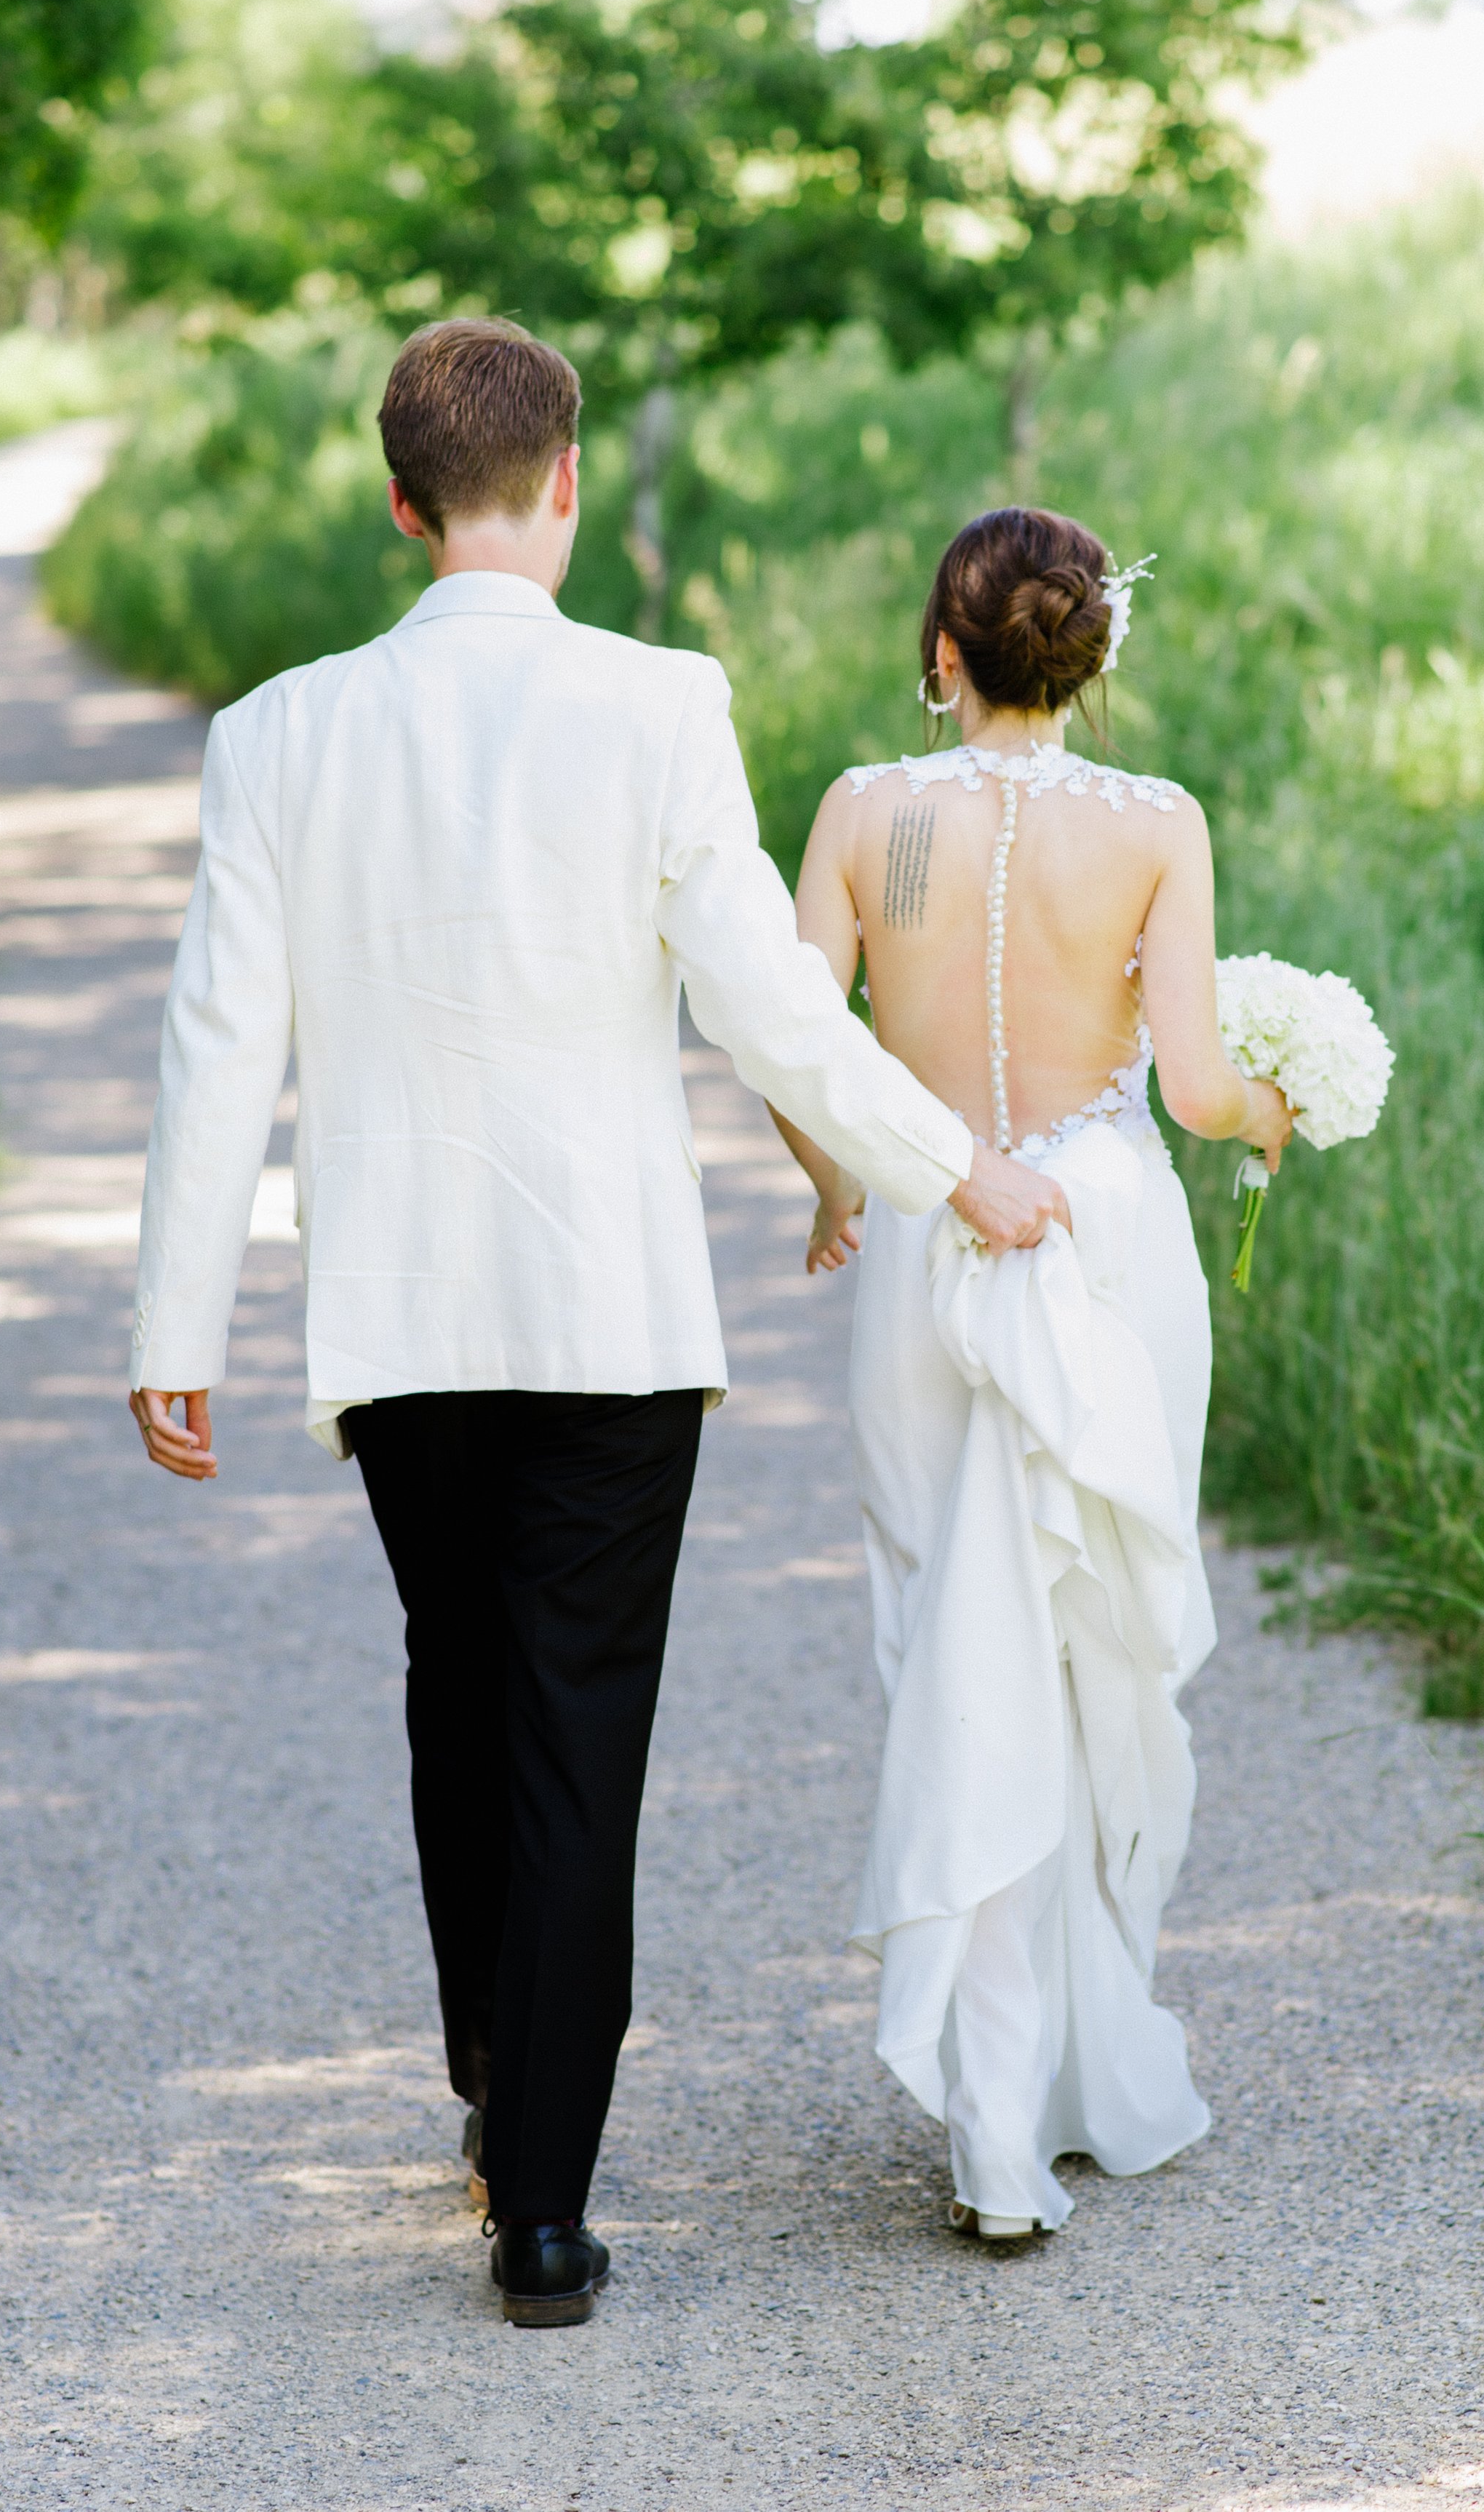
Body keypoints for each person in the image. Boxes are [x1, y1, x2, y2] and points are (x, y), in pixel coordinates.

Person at [124, 320, 1068, 2326]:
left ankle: (494, 2076)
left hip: (397, 1323)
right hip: (611, 1317)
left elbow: (219, 1041)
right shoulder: (657, 700)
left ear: (400, 504)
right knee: (574, 1725)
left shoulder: (279, 731)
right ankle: (539, 2202)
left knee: (455, 1689)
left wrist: (172, 1323)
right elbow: (764, 999)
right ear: (561, 485)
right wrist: (944, 1164)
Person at [770, 507, 1293, 2238]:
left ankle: (1000, 2113)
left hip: (933, 1239)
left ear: (943, 651)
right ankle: (1052, 2086)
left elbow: (798, 1046)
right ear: (1087, 653)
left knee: (948, 1646)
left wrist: (846, 1185)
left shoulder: (863, 811)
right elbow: (1202, 1083)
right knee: (1088, 1647)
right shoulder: (1155, 826)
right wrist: (1287, 1111)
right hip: (1105, 1235)